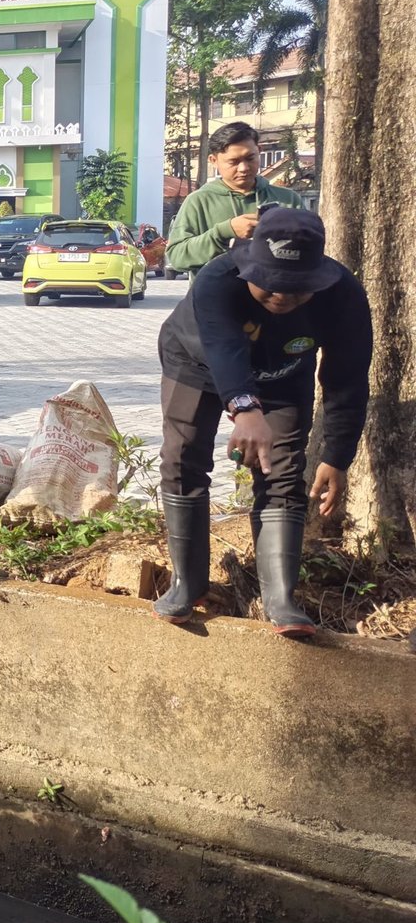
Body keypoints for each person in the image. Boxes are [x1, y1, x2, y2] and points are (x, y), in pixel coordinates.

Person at [154, 208, 372, 639]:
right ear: (249, 264)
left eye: (296, 287)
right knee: (183, 457)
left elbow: (347, 378)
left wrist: (337, 456)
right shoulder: (218, 280)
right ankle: (187, 583)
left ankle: (280, 598)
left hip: (285, 374)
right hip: (196, 362)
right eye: (269, 282)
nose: (281, 296)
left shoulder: (343, 294)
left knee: (283, 470)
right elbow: (224, 347)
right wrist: (245, 408)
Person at [166, 121, 303, 277]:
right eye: (233, 162)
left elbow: (307, 250)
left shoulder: (288, 199)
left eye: (250, 158)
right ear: (213, 160)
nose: (243, 168)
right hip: (215, 292)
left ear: (259, 151)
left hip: (275, 291)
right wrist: (224, 232)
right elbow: (177, 257)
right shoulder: (198, 201)